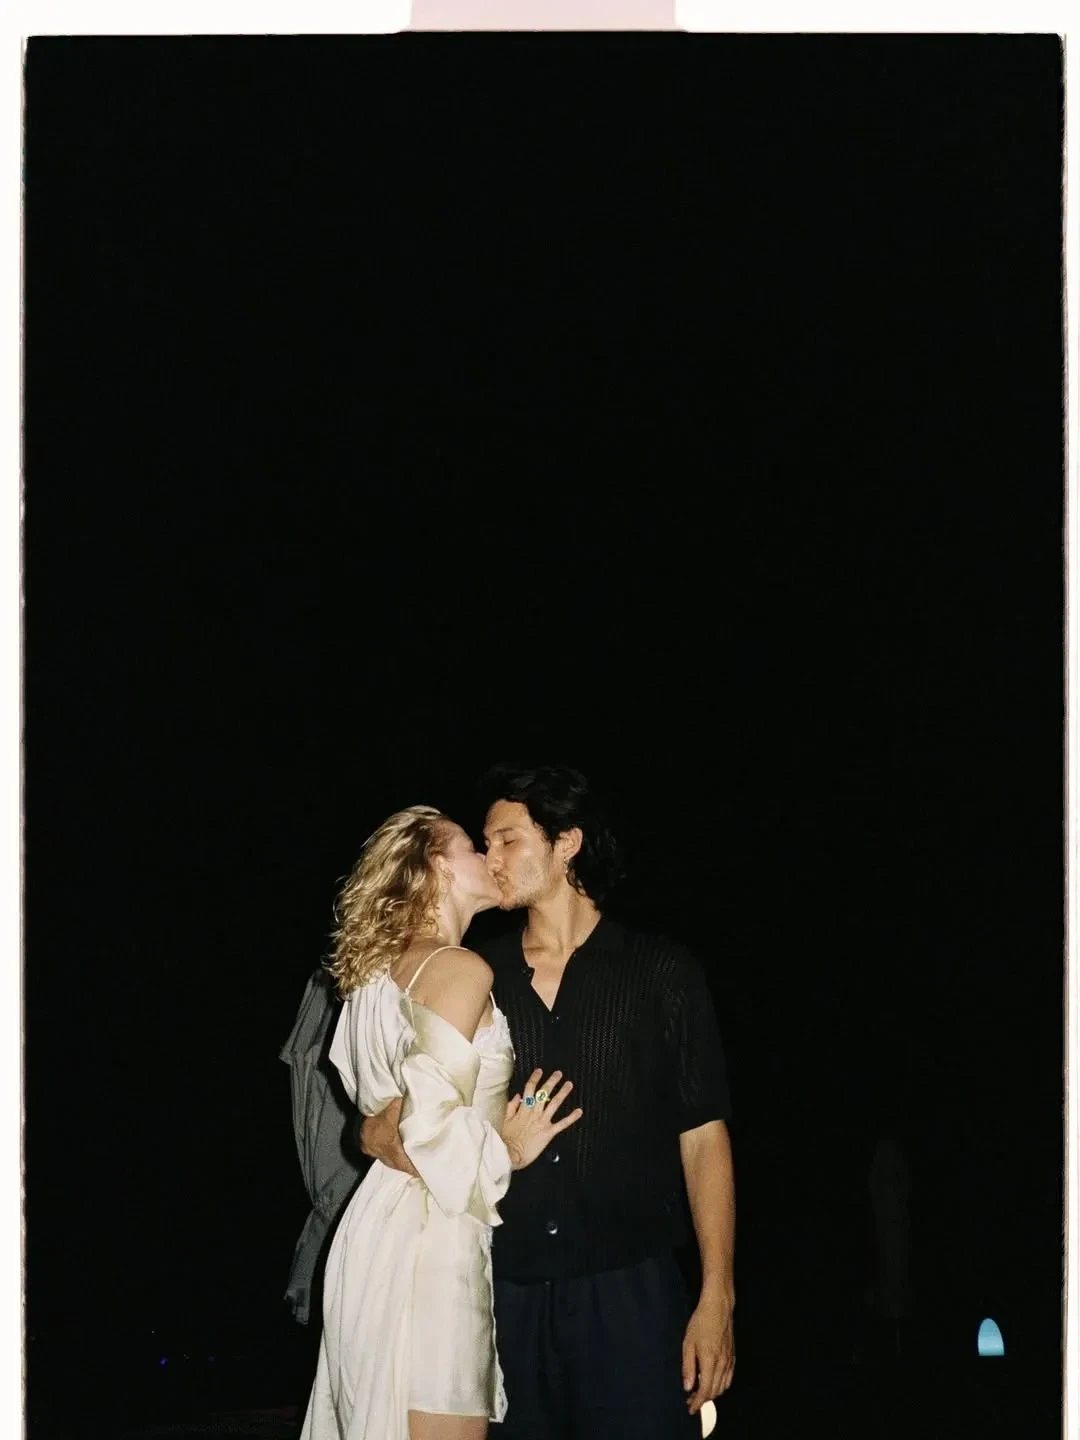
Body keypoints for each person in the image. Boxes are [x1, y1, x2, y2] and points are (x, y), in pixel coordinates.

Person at [361, 765, 736, 1440]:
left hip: (631, 1292)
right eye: (485, 844)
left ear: (567, 844)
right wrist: (384, 1136)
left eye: (508, 840)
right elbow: (384, 1119)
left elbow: (704, 1136)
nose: (492, 859)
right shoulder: (476, 972)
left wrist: (718, 1296)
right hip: (502, 1291)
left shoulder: (662, 971)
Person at [300, 804, 583, 1440]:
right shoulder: (460, 968)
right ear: (438, 867)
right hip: (430, 1240)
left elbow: (386, 1120)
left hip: (375, 1225)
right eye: (473, 848)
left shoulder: (374, 978)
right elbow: (429, 1136)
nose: (489, 858)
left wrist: (375, 1132)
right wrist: (509, 1148)